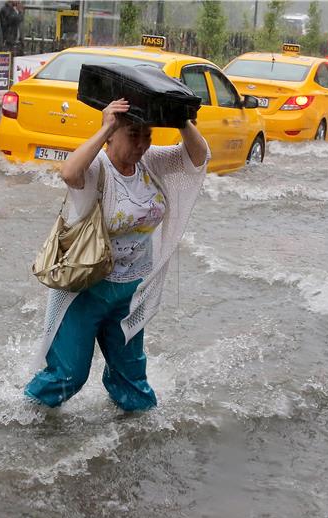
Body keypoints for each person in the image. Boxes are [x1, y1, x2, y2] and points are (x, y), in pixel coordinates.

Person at [25, 98, 210, 411]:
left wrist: (181, 119)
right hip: (85, 288)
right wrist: (107, 125)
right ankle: (24, 419)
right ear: (112, 136)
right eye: (133, 135)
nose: (141, 144)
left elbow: (198, 156)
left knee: (132, 382)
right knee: (69, 375)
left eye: (147, 135)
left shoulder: (151, 162)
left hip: (130, 290)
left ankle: (136, 438)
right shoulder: (98, 168)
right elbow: (70, 172)